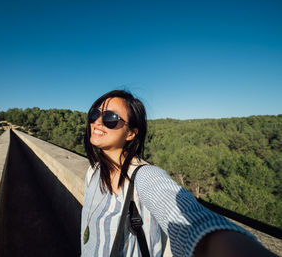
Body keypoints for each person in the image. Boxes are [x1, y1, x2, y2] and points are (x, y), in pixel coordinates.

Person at [81, 90, 276, 257]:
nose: (98, 122)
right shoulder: (93, 172)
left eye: (110, 118)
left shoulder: (145, 176)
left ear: (131, 133)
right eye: (95, 114)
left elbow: (187, 218)